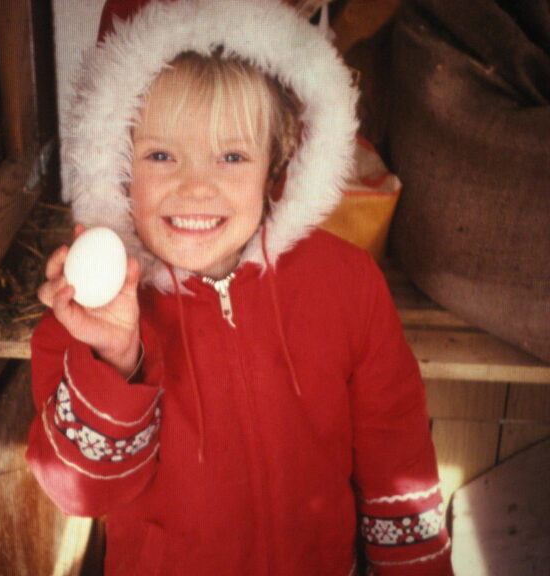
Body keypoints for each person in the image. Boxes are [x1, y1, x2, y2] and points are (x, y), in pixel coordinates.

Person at [27, 1, 454, 574]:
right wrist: (115, 359)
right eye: (161, 154)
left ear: (278, 162)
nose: (197, 187)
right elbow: (80, 493)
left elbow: (395, 453)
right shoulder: (91, 318)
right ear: (117, 165)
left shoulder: (348, 285)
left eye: (231, 156)